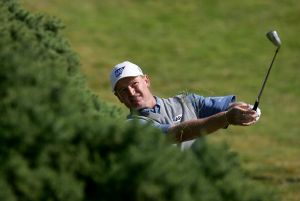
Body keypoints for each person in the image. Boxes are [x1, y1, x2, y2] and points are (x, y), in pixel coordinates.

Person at [110, 61, 261, 150]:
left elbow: (227, 106)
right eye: (123, 90)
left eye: (134, 84)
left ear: (146, 81)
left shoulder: (187, 102)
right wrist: (227, 117)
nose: (131, 92)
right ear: (118, 98)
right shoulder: (131, 125)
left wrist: (246, 109)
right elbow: (175, 134)